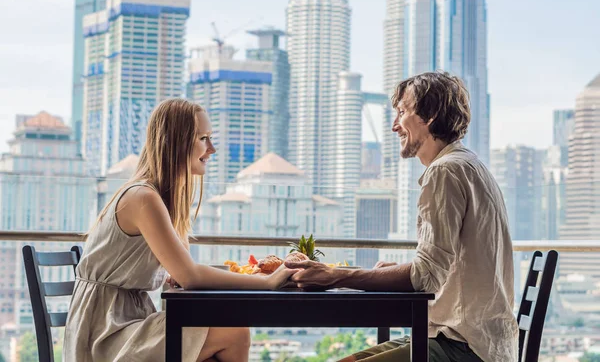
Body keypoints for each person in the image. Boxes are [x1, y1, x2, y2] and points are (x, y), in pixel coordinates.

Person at [286, 71, 519, 362]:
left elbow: (425, 277)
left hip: (463, 347)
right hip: (470, 338)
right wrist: (395, 272)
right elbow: (450, 265)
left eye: (402, 112)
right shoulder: (469, 165)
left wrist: (334, 276)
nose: (395, 126)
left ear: (430, 115)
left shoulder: (445, 171)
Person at [64, 98, 299, 362]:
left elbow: (183, 270)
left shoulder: (159, 198)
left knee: (214, 351)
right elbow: (190, 276)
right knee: (235, 332)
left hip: (125, 322)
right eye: (203, 138)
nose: (212, 148)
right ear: (176, 142)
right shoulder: (143, 197)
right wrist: (265, 282)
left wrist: (176, 273)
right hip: (106, 336)